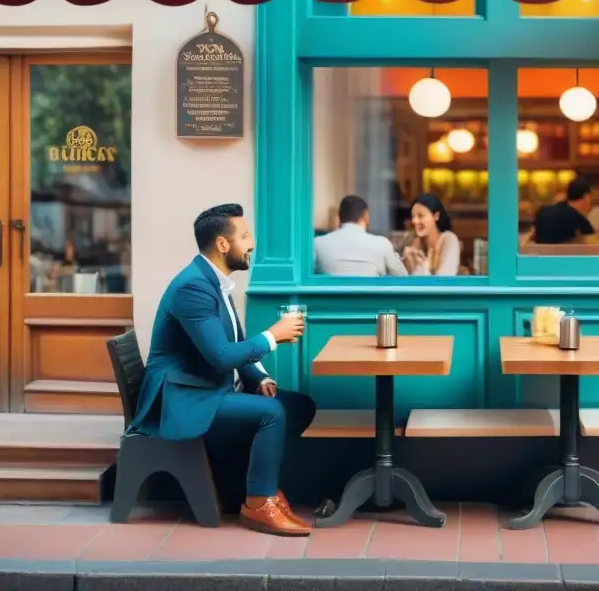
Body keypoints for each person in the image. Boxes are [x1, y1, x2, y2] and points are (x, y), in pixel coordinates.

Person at [129, 204, 317, 537]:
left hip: (207, 388)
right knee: (271, 413)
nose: (253, 243)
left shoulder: (215, 282)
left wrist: (259, 378)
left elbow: (235, 343)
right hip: (184, 398)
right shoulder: (193, 288)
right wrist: (274, 335)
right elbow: (220, 355)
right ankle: (258, 504)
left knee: (298, 405)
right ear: (222, 244)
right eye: (245, 236)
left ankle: (257, 487)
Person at [314, 195, 408, 277]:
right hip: (370, 298)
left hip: (330, 298)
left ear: (340, 217)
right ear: (366, 216)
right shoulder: (382, 244)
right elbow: (403, 279)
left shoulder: (317, 243)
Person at [403, 193, 461, 276]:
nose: (414, 221)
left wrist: (419, 263)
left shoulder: (449, 240)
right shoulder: (411, 240)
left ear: (436, 216)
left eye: (420, 216)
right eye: (413, 216)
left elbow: (443, 282)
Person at [530, 176, 595, 244]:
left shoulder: (543, 211)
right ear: (587, 198)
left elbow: (533, 235)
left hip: (539, 253)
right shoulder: (579, 219)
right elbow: (592, 244)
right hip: (562, 254)